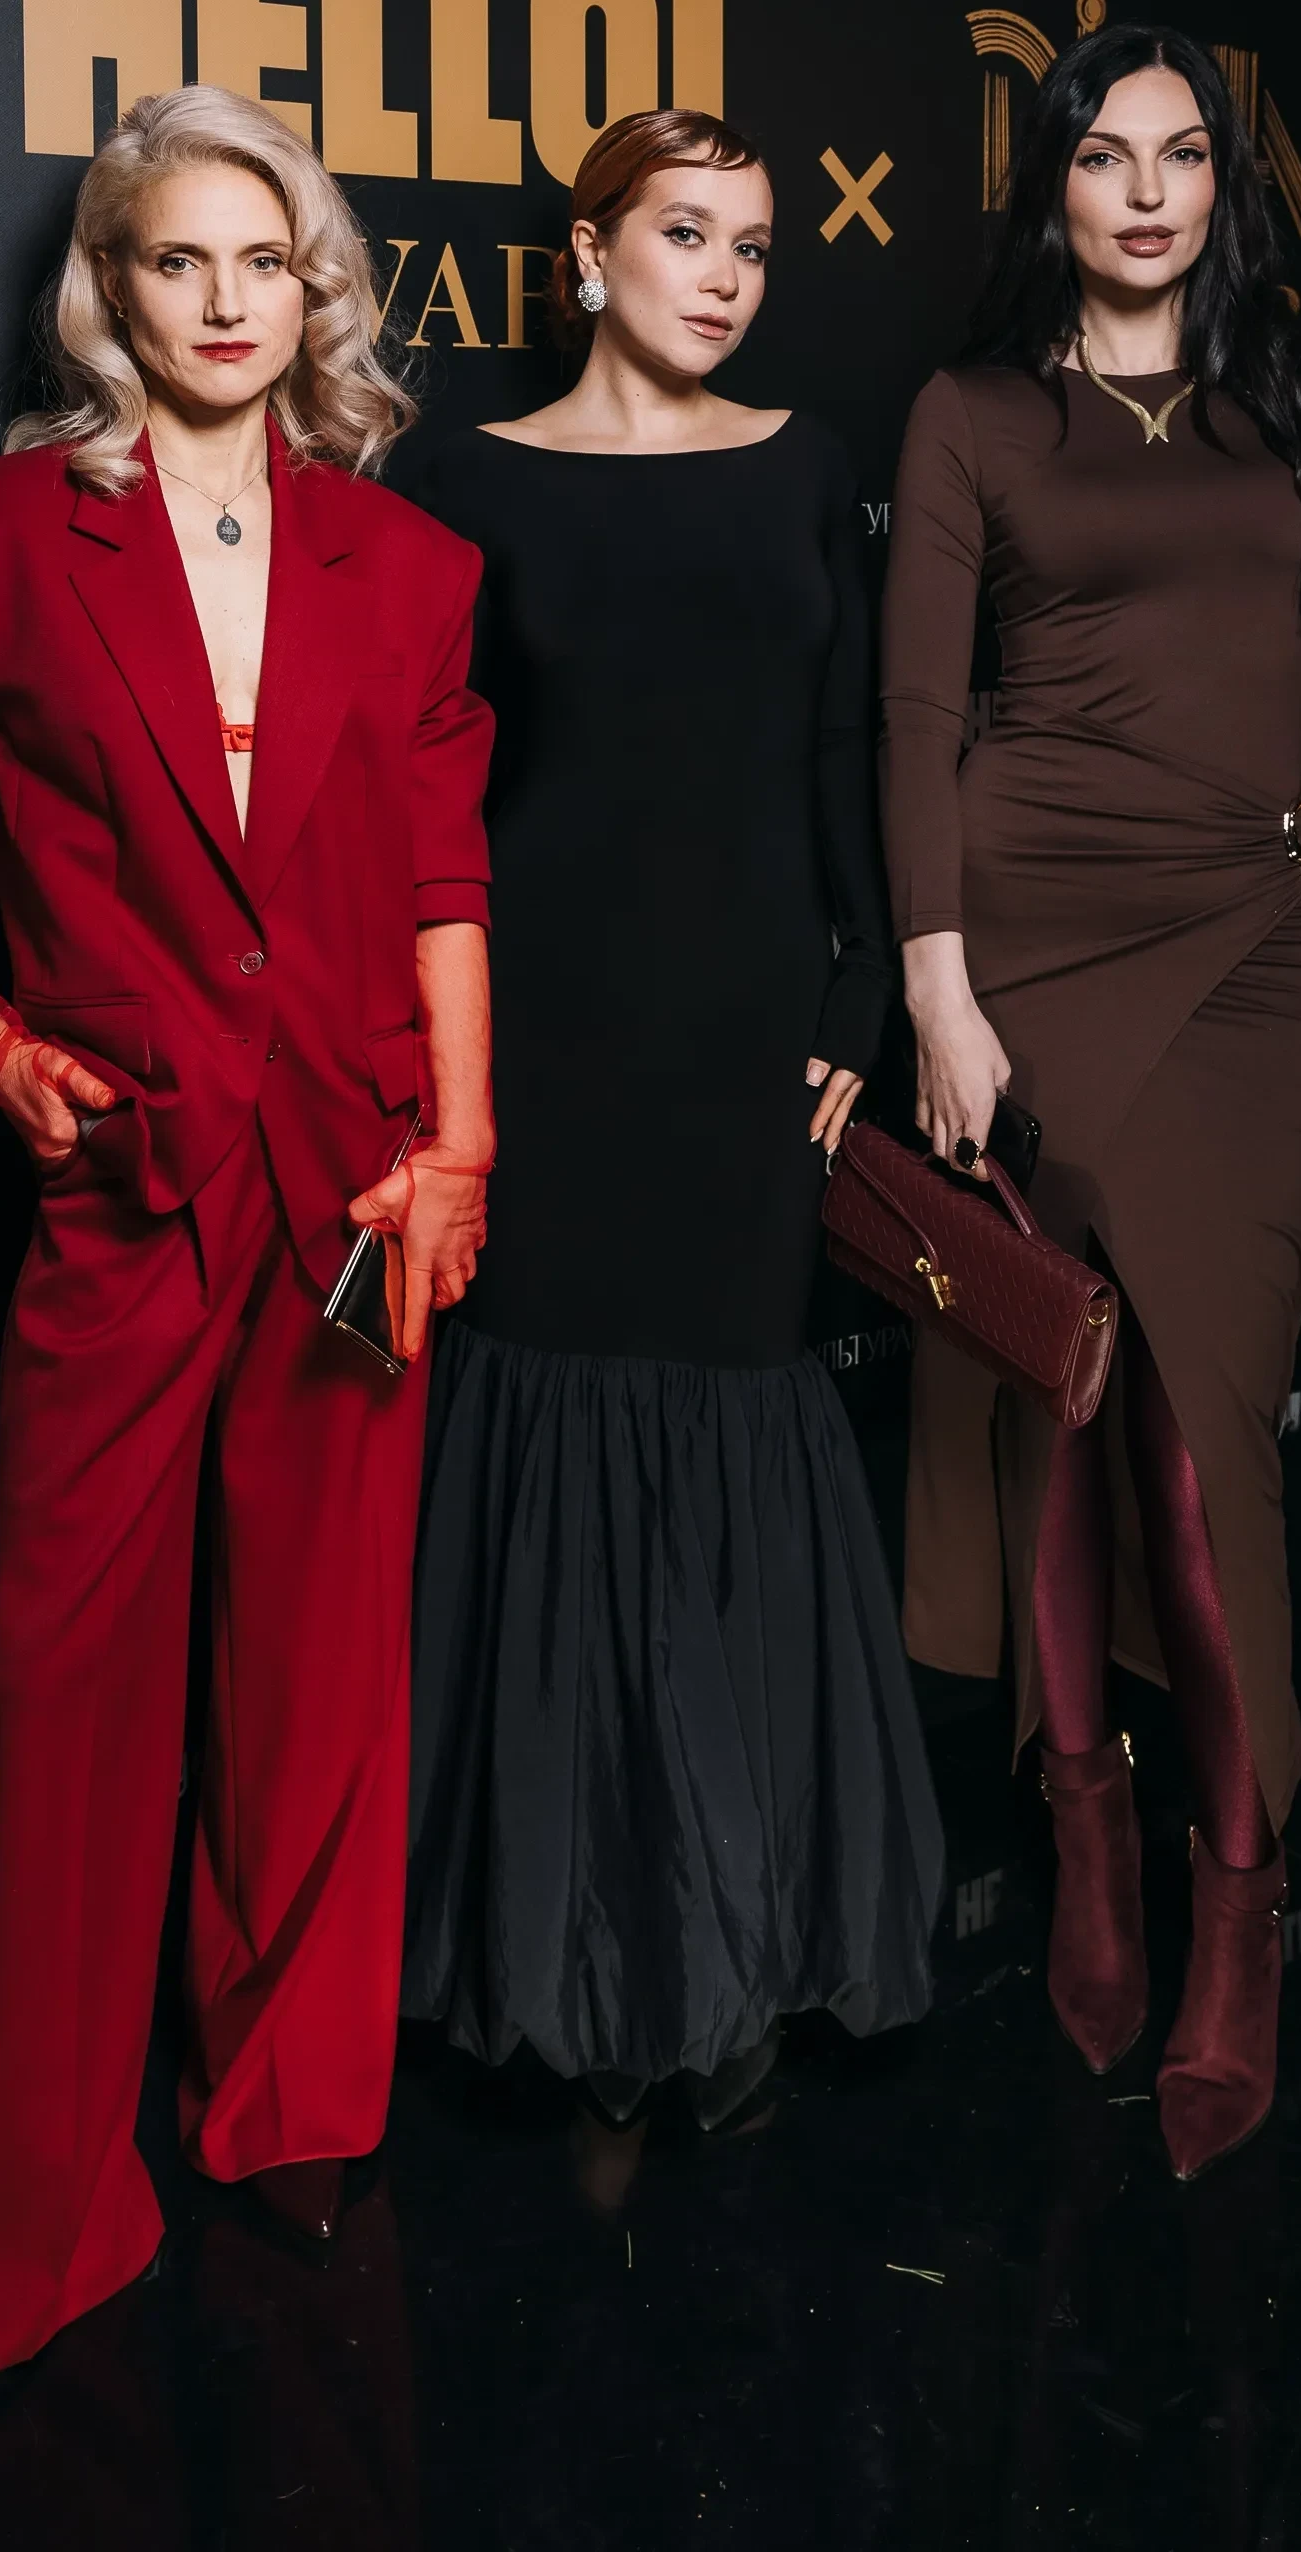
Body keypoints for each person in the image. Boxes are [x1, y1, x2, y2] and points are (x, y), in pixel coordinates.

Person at [0, 87, 495, 2423]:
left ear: (318, 293)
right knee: (65, 1698)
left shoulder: (406, 564)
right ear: (110, 287)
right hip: (122, 1185)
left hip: (354, 1181)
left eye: (263, 261)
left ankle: (285, 2109)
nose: (223, 302)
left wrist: (460, 1143)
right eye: (176, 260)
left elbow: (442, 884)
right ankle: (27, 2216)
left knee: (317, 1680)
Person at [882, 25, 1301, 2176]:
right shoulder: (974, 411)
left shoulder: (1299, 387)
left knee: (1198, 1448)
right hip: (1027, 947)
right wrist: (937, 989)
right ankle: (1086, 1831)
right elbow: (916, 715)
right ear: (1049, 183)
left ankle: (1236, 1896)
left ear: (1222, 184)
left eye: (1181, 156)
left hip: (1252, 960)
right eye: (1103, 155)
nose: (1145, 192)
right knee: (1053, 1406)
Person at [402, 109, 944, 2137]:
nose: (725, 277)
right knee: (544, 1438)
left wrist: (858, 990)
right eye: (687, 233)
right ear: (587, 254)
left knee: (730, 1430)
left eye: (755, 246)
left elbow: (845, 743)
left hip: (745, 1040)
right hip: (545, 1035)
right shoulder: (458, 478)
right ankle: (559, 1950)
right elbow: (431, 798)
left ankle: (731, 1946)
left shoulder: (803, 465)